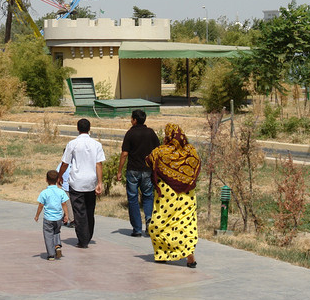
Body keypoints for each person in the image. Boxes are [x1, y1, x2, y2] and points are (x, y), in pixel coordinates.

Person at [146, 123, 202, 268]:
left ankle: (161, 254)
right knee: (185, 225)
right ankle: (189, 257)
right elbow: (197, 166)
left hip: (166, 196)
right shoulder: (191, 151)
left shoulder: (161, 152)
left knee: (159, 224)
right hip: (187, 195)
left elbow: (149, 161)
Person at [57, 118, 105, 248]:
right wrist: (99, 182)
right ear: (89, 129)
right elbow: (99, 164)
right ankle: (88, 236)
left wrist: (59, 176)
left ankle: (83, 239)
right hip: (91, 182)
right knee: (90, 210)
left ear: (78, 129)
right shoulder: (96, 145)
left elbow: (65, 163)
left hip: (76, 182)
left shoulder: (72, 144)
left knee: (79, 212)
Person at [115, 109, 160, 237]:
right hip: (147, 170)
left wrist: (119, 171)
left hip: (133, 170)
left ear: (134, 120)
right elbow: (157, 151)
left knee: (133, 198)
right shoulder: (151, 133)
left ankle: (137, 229)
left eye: (131, 118)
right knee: (148, 196)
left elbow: (124, 154)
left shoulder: (130, 133)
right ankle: (149, 220)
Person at [34, 170, 70, 261]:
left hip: (48, 218)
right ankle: (57, 245)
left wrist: (37, 215)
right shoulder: (61, 192)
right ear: (58, 179)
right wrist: (66, 215)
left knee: (48, 235)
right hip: (58, 218)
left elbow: (41, 205)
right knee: (56, 232)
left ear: (46, 180)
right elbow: (64, 204)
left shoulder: (44, 193)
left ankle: (51, 255)